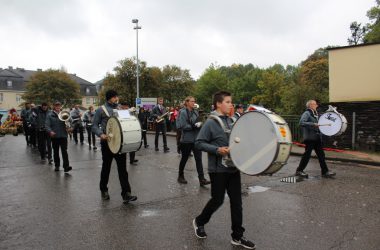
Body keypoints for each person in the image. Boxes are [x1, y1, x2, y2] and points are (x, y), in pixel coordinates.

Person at [192, 91, 255, 249]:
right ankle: (199, 221)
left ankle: (237, 236)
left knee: (237, 203)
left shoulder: (234, 120)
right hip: (218, 169)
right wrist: (216, 149)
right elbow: (199, 143)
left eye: (231, 102)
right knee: (218, 200)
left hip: (233, 168)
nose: (230, 104)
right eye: (227, 102)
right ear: (218, 104)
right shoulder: (211, 123)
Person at [92, 90, 137, 203]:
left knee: (122, 169)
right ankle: (104, 190)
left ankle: (126, 193)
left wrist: (131, 112)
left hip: (120, 143)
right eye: (114, 97)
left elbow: (128, 122)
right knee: (106, 168)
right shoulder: (101, 110)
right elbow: (94, 126)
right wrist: (100, 134)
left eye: (117, 96)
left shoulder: (120, 108)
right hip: (107, 143)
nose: (116, 99)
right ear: (109, 98)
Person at [295, 100, 336, 178]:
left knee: (321, 155)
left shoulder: (315, 114)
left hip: (317, 138)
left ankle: (325, 172)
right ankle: (299, 171)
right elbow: (301, 123)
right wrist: (313, 124)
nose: (316, 105)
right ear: (310, 105)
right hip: (310, 138)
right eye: (315, 104)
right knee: (307, 155)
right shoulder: (307, 113)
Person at [176, 96, 210, 186]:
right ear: (187, 102)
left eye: (194, 101)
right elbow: (181, 126)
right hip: (186, 140)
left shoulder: (195, 112)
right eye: (192, 101)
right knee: (184, 159)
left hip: (196, 139)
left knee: (199, 159)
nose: (193, 103)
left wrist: (201, 124)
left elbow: (198, 122)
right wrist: (194, 126)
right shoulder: (182, 112)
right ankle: (180, 176)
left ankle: (201, 179)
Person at [45, 101, 72, 172]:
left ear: (60, 106)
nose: (58, 107)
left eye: (59, 106)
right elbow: (47, 125)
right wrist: (50, 131)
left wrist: (70, 127)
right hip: (55, 136)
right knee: (56, 151)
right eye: (56, 106)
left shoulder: (64, 113)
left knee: (64, 151)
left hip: (63, 135)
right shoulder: (49, 115)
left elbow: (70, 121)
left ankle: (66, 167)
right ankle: (57, 165)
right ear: (54, 106)